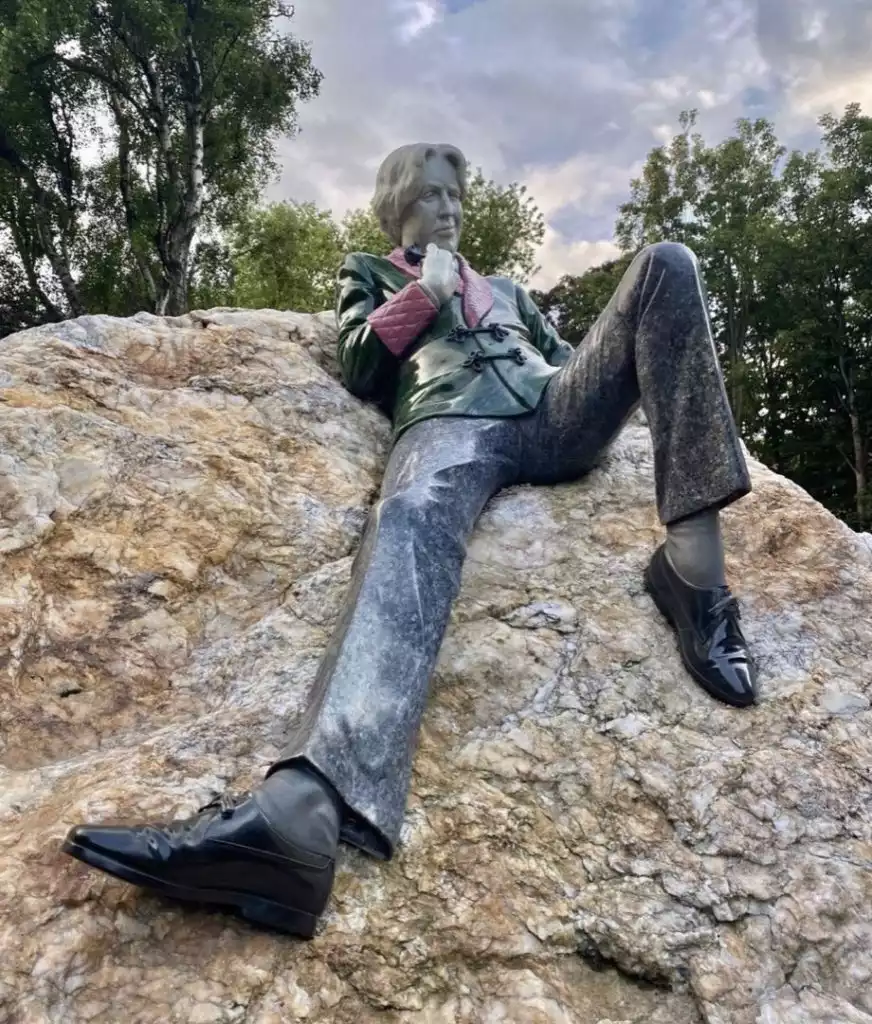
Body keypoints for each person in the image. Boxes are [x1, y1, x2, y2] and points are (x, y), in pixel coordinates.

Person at [63, 142, 756, 939]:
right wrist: (424, 296)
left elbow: (582, 361)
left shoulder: (510, 290)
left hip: (552, 410)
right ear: (398, 207)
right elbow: (361, 364)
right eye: (431, 195)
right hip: (448, 420)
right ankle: (298, 819)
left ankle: (695, 572)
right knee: (407, 517)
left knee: (667, 262)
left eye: (455, 195)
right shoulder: (368, 271)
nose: (450, 208)